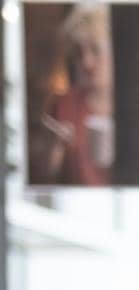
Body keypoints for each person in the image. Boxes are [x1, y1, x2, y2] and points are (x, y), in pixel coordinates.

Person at [33, 3, 116, 186]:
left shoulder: (133, 107)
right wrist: (52, 148)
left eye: (95, 49)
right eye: (79, 53)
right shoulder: (63, 105)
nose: (86, 62)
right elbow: (44, 178)